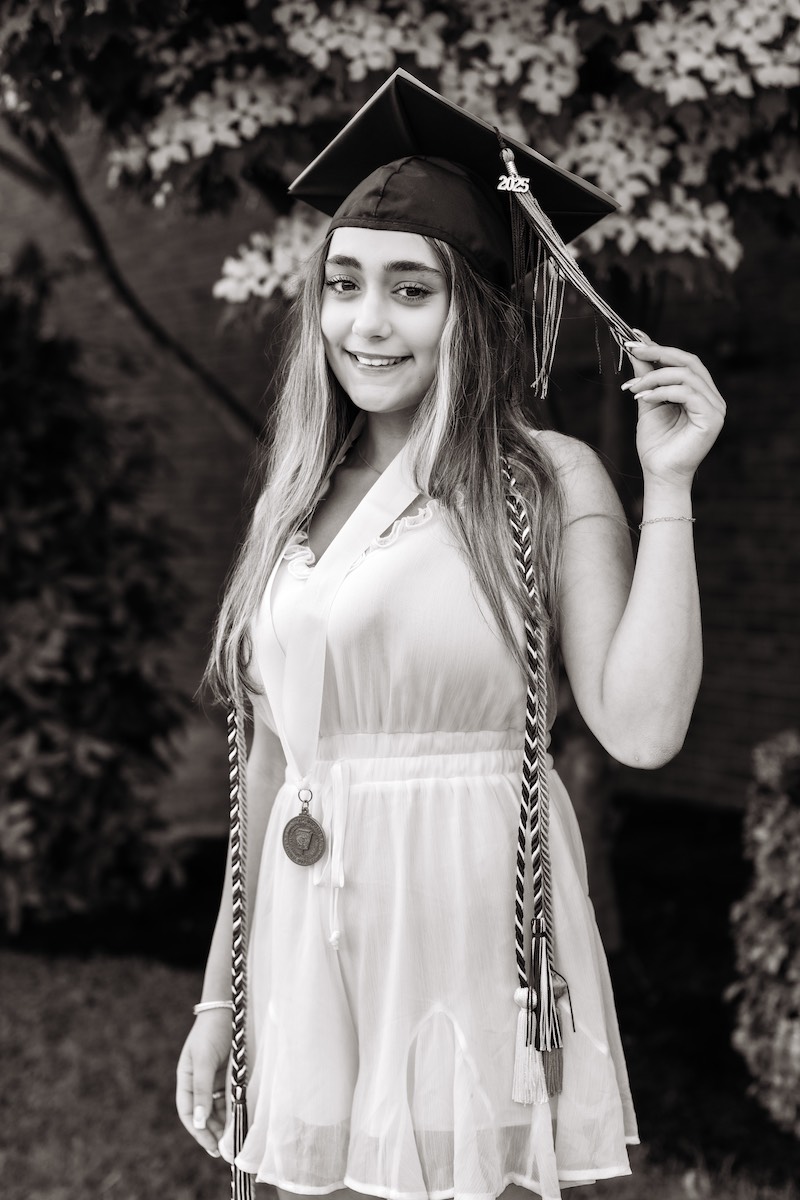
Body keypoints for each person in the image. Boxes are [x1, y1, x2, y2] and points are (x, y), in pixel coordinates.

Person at [175, 71, 725, 1200]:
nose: (364, 323)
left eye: (409, 290)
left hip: (464, 909)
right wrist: (219, 999)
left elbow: (642, 727)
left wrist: (664, 486)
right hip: (305, 924)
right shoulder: (296, 496)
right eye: (342, 284)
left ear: (470, 307)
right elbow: (272, 766)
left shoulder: (537, 481)